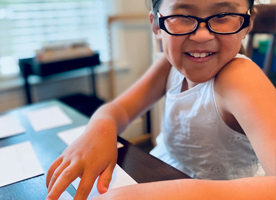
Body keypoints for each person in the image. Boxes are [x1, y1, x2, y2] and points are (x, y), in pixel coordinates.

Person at [46, 0, 276, 199]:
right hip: (160, 171)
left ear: (247, 22)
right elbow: (121, 110)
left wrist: (166, 193)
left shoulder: (241, 78)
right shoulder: (168, 65)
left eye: (224, 15)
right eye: (183, 16)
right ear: (157, 25)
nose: (202, 34)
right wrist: (100, 128)